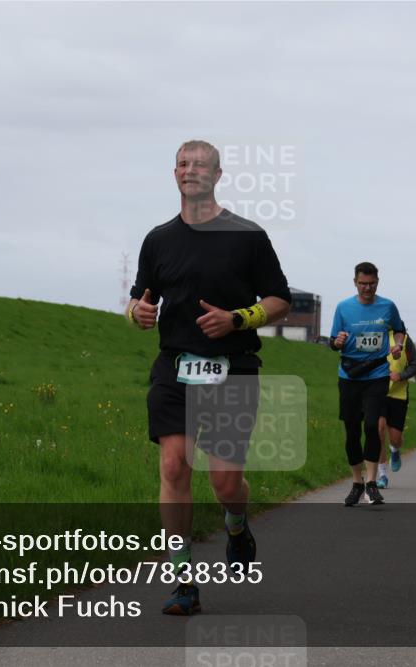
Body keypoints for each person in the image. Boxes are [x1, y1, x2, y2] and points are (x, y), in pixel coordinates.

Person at [127, 140, 292, 615]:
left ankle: (236, 524)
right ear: (173, 173)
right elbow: (140, 299)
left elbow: (281, 301)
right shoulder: (158, 239)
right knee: (174, 465)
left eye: (200, 164)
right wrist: (136, 312)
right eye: (183, 163)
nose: (190, 170)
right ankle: (182, 579)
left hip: (232, 368)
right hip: (175, 367)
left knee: (224, 483)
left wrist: (237, 318)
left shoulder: (246, 236)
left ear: (218, 175)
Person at [330, 262, 406, 505]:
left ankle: (372, 483)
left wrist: (398, 344)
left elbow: (399, 329)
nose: (367, 288)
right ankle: (356, 482)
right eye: (363, 284)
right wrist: (338, 341)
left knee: (372, 425)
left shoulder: (387, 306)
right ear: (355, 282)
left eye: (371, 284)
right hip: (350, 375)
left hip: (377, 374)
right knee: (352, 431)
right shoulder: (343, 307)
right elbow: (332, 341)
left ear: (377, 282)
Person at [379, 332, 416, 487]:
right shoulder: (373, 333)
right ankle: (382, 475)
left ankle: (395, 450)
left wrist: (402, 375)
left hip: (398, 394)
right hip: (378, 392)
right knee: (378, 430)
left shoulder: (404, 338)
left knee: (396, 439)